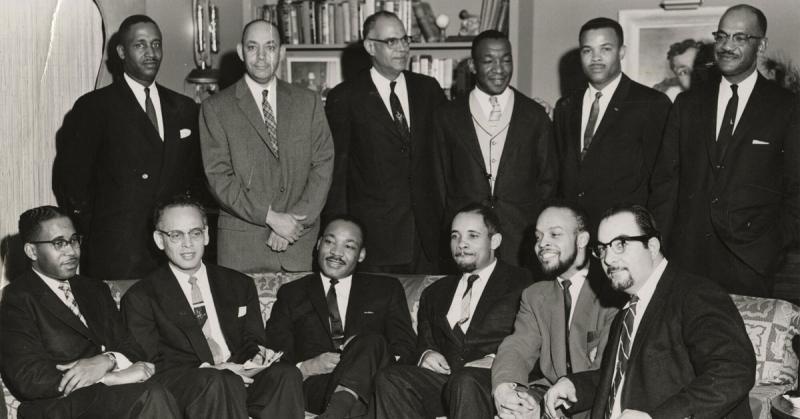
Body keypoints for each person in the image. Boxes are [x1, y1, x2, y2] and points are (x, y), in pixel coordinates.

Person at [543, 204, 755, 418]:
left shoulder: (694, 295)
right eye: (603, 248)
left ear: (652, 246)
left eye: (621, 244)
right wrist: (574, 386)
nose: (607, 259)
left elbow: (733, 371)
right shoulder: (626, 313)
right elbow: (620, 377)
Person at [649, 4, 800, 297]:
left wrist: (771, 244)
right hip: (687, 261)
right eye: (721, 36)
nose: (727, 46)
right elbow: (665, 185)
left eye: (740, 38)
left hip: (751, 264)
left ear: (761, 45)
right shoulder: (687, 105)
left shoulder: (787, 108)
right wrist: (662, 249)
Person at [121, 195, 305, 418]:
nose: (188, 244)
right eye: (176, 235)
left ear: (206, 235)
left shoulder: (238, 284)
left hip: (239, 374)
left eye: (195, 233)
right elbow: (151, 364)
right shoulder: (141, 296)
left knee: (286, 374)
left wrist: (257, 358)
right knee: (220, 381)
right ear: (160, 240)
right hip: (189, 384)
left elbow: (253, 341)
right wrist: (213, 369)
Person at [53, 15, 205, 280]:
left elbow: (194, 177)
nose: (151, 53)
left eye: (156, 44)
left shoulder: (184, 108)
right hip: (117, 252)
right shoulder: (94, 108)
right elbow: (72, 183)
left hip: (173, 250)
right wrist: (100, 230)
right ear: (122, 52)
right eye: (140, 45)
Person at [0, 206, 181, 419]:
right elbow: (28, 379)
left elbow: (132, 347)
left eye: (74, 240)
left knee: (176, 389)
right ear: (32, 251)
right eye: (59, 243)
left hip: (113, 398)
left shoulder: (95, 289)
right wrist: (106, 378)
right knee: (151, 395)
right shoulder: (16, 299)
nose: (71, 251)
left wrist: (108, 360)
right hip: (58, 407)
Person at [374, 204, 533, 418]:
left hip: (492, 381)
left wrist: (498, 359)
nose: (461, 244)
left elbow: (532, 338)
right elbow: (425, 340)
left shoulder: (522, 282)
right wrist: (426, 354)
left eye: (473, 236)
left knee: (465, 380)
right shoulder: (435, 292)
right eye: (455, 236)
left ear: (494, 241)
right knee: (390, 378)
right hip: (447, 381)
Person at [200, 20, 334, 273]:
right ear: (241, 52)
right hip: (242, 250)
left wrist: (293, 224)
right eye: (253, 47)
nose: (261, 57)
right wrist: (271, 218)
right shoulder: (216, 107)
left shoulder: (308, 102)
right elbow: (218, 177)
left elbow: (323, 166)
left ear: (282, 52)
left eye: (270, 47)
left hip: (299, 244)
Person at [324, 11, 447, 273]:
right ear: (370, 46)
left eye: (405, 39)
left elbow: (449, 151)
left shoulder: (428, 89)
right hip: (376, 240)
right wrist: (342, 238)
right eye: (392, 42)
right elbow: (337, 177)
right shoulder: (345, 97)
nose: (402, 48)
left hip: (428, 237)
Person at [263, 216, 416, 418]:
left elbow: (405, 347)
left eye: (349, 246)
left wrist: (362, 356)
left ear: (361, 255)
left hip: (373, 381)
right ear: (318, 245)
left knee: (371, 341)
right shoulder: (292, 294)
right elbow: (276, 353)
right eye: (329, 242)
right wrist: (307, 367)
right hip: (318, 386)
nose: (336, 252)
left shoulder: (386, 290)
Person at [434, 30, 557, 268]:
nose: (499, 69)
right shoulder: (446, 117)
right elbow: (439, 183)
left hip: (520, 238)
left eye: (506, 59)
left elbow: (548, 182)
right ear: (472, 65)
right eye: (489, 61)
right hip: (467, 240)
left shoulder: (534, 115)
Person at [492, 203, 618, 419]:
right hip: (545, 396)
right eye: (538, 237)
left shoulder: (613, 292)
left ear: (582, 239)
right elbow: (518, 347)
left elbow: (605, 377)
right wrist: (505, 387)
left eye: (555, 234)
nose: (542, 244)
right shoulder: (534, 295)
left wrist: (544, 412)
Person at [553, 17, 671, 230]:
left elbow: (664, 182)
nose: (595, 58)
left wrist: (651, 236)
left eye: (605, 49)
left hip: (625, 235)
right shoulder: (565, 107)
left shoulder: (651, 104)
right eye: (587, 50)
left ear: (622, 52)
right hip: (576, 236)